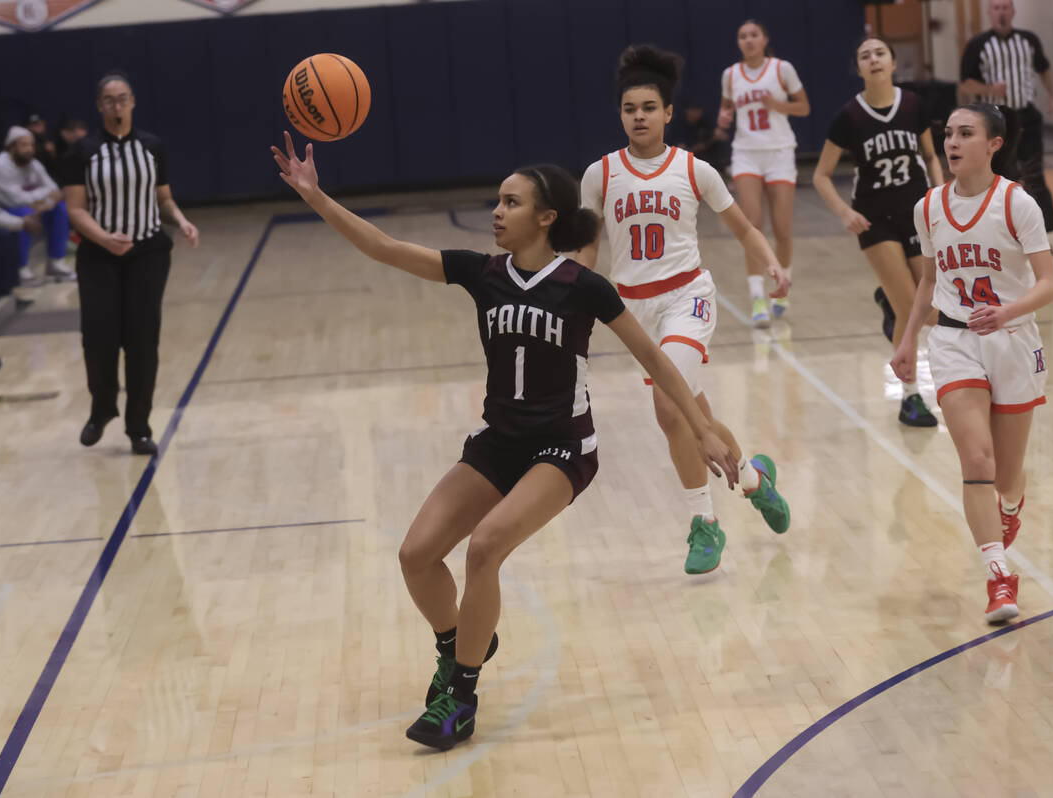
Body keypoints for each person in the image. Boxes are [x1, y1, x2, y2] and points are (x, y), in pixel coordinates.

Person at [271, 133, 739, 751]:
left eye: (511, 203)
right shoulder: (481, 272)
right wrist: (316, 195)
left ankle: (459, 697)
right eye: (497, 201)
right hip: (498, 441)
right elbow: (383, 248)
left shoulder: (583, 286)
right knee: (416, 555)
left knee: (485, 547)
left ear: (547, 217)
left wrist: (703, 429)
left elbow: (655, 355)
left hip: (562, 448)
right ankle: (462, 641)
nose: (497, 211)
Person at [577, 44, 792, 575]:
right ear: (620, 114)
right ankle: (751, 478)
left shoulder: (694, 170)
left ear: (668, 113)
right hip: (634, 313)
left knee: (671, 412)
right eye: (630, 109)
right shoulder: (599, 174)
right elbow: (587, 247)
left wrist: (770, 264)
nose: (639, 116)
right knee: (694, 413)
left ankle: (705, 525)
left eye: (649, 107)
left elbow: (742, 226)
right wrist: (570, 293)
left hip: (687, 299)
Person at [891, 103, 1053, 623]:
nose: (953, 143)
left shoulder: (1017, 203)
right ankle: (999, 579)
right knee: (977, 461)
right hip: (953, 342)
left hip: (1011, 341)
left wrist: (1008, 310)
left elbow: (1050, 283)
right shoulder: (929, 207)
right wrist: (907, 340)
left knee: (1006, 476)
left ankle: (1010, 507)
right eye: (948, 134)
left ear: (994, 144)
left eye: (966, 134)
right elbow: (927, 281)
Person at [60, 71, 199, 456]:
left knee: (142, 340)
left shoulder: (153, 147)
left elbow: (164, 199)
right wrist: (104, 238)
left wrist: (182, 220)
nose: (116, 105)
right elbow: (75, 209)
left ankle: (139, 426)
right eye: (109, 100)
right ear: (99, 106)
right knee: (100, 336)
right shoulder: (81, 152)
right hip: (99, 253)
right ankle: (102, 409)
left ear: (133, 101)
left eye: (122, 98)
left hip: (148, 253)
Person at [813, 37, 944, 428]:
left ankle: (887, 302)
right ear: (859, 68)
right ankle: (911, 397)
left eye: (879, 53)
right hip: (875, 220)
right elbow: (820, 175)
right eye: (864, 55)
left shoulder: (914, 105)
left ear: (891, 62)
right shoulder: (849, 117)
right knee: (910, 310)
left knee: (934, 310)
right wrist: (844, 212)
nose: (873, 59)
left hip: (917, 213)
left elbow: (931, 156)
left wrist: (939, 196)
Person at [717, 19, 810, 326]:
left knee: (782, 230)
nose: (748, 40)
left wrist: (777, 105)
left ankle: (783, 285)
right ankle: (757, 296)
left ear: (764, 39)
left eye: (754, 35)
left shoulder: (781, 69)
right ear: (738, 42)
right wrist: (724, 116)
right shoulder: (730, 75)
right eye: (742, 36)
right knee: (751, 226)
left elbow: (804, 107)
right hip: (746, 154)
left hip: (780, 152)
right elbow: (727, 105)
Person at [960, 0, 1053, 232]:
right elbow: (966, 84)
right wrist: (989, 90)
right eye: (996, 8)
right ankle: (1000, 229)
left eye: (1005, 7)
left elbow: (1044, 68)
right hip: (995, 120)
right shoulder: (978, 44)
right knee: (999, 176)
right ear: (990, 13)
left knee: (1033, 172)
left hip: (1026, 115)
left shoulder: (1028, 40)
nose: (1001, 12)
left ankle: (1042, 232)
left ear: (1013, 12)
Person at [0, 126, 75, 283]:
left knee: (60, 209)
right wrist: (42, 198)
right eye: (24, 145)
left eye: (31, 145)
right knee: (24, 214)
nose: (29, 149)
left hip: (33, 207)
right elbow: (14, 199)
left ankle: (55, 262)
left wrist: (46, 202)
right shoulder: (1, 165)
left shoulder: (33, 163)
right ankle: (20, 267)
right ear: (12, 147)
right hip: (7, 210)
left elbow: (54, 189)